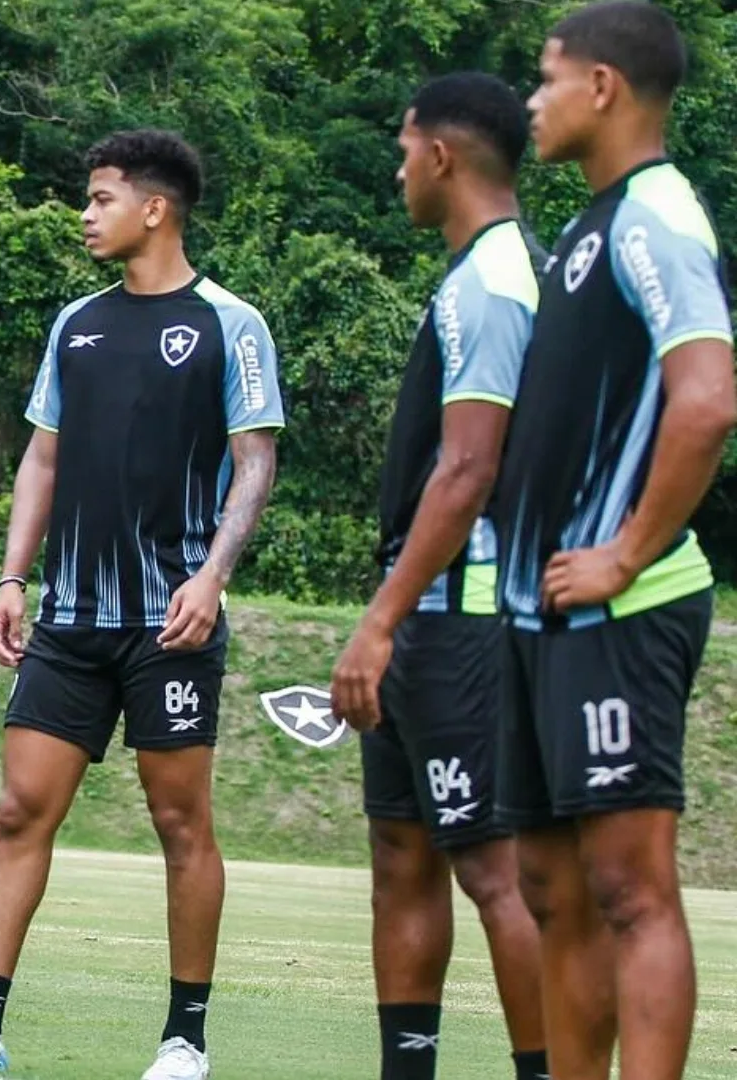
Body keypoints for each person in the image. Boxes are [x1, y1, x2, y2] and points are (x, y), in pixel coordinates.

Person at [0, 130, 283, 1078]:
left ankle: (186, 1041)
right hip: (69, 618)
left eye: (101, 198)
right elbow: (43, 459)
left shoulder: (232, 323)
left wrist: (212, 576)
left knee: (182, 825)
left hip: (170, 622)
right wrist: (13, 578)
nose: (86, 213)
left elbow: (255, 463)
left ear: (156, 208)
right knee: (20, 812)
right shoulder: (77, 324)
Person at [494, 6, 734, 1079]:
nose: (531, 103)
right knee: (553, 889)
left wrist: (627, 553)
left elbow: (707, 400)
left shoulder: (656, 214)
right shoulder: (591, 227)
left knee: (631, 890)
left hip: (622, 608)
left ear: (602, 87)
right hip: (547, 616)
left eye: (545, 81)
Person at [326, 74, 550, 1080]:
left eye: (406, 144)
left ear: (445, 157)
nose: (398, 164)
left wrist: (381, 621)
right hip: (430, 622)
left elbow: (469, 469)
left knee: (495, 872)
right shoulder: (474, 274)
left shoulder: (496, 283)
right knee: (401, 858)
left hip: (464, 621)